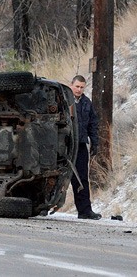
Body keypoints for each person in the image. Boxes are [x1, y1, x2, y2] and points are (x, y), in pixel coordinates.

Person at [70, 75, 101, 220]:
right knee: (55, 176)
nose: (79, 89)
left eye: (82, 87)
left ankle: (84, 211)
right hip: (64, 145)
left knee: (82, 178)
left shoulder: (87, 103)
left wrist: (94, 143)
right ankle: (44, 207)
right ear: (71, 85)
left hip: (81, 145)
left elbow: (93, 125)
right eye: (77, 86)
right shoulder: (64, 100)